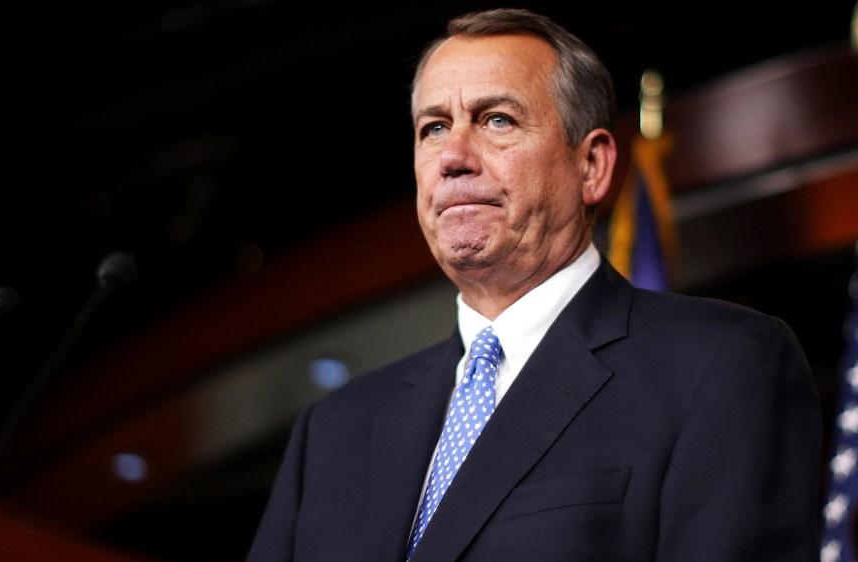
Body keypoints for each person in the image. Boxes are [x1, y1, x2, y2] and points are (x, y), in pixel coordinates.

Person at [245, 7, 823, 561]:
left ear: (591, 166)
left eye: (497, 120)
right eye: (434, 127)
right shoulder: (334, 430)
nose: (453, 156)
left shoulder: (719, 364)